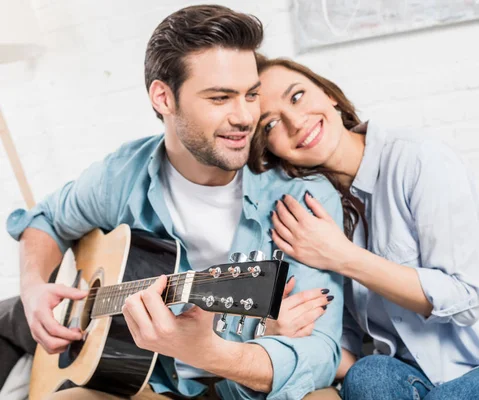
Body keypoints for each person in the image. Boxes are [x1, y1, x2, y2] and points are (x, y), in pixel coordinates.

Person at [1, 6, 344, 400]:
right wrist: (32, 290)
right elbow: (45, 220)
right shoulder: (122, 174)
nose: (245, 116)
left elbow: (320, 354)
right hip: (151, 386)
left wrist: (211, 353)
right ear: (163, 97)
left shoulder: (301, 198)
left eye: (251, 95)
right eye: (220, 98)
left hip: (256, 387)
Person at [248, 56, 479, 400]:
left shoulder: (418, 159)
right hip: (417, 380)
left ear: (329, 94)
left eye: (297, 97)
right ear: (270, 150)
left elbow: (464, 298)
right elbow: (342, 344)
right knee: (367, 374)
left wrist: (341, 255)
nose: (295, 122)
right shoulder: (313, 215)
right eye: (270, 125)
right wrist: (284, 334)